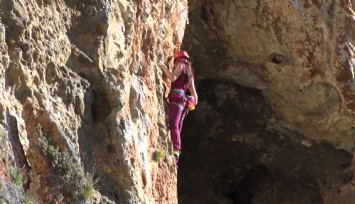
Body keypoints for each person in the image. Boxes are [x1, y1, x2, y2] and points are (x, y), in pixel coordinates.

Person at [159, 50, 198, 166]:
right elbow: (195, 95)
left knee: (173, 124)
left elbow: (172, 78)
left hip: (177, 99)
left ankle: (176, 149)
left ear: (178, 59)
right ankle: (176, 155)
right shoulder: (190, 73)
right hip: (184, 103)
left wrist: (163, 66)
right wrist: (192, 103)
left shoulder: (181, 65)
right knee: (178, 126)